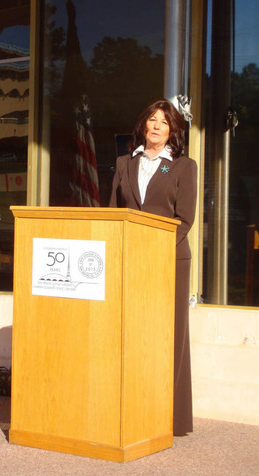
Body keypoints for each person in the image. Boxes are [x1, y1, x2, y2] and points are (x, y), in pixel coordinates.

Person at [109, 98, 197, 436]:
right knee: (131, 332)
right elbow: (114, 211)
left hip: (169, 259)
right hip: (129, 260)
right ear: (143, 125)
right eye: (152, 119)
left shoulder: (183, 166)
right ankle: (133, 407)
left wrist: (154, 249)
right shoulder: (123, 164)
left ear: (173, 130)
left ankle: (171, 416)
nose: (157, 125)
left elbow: (184, 218)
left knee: (169, 335)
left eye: (164, 121)